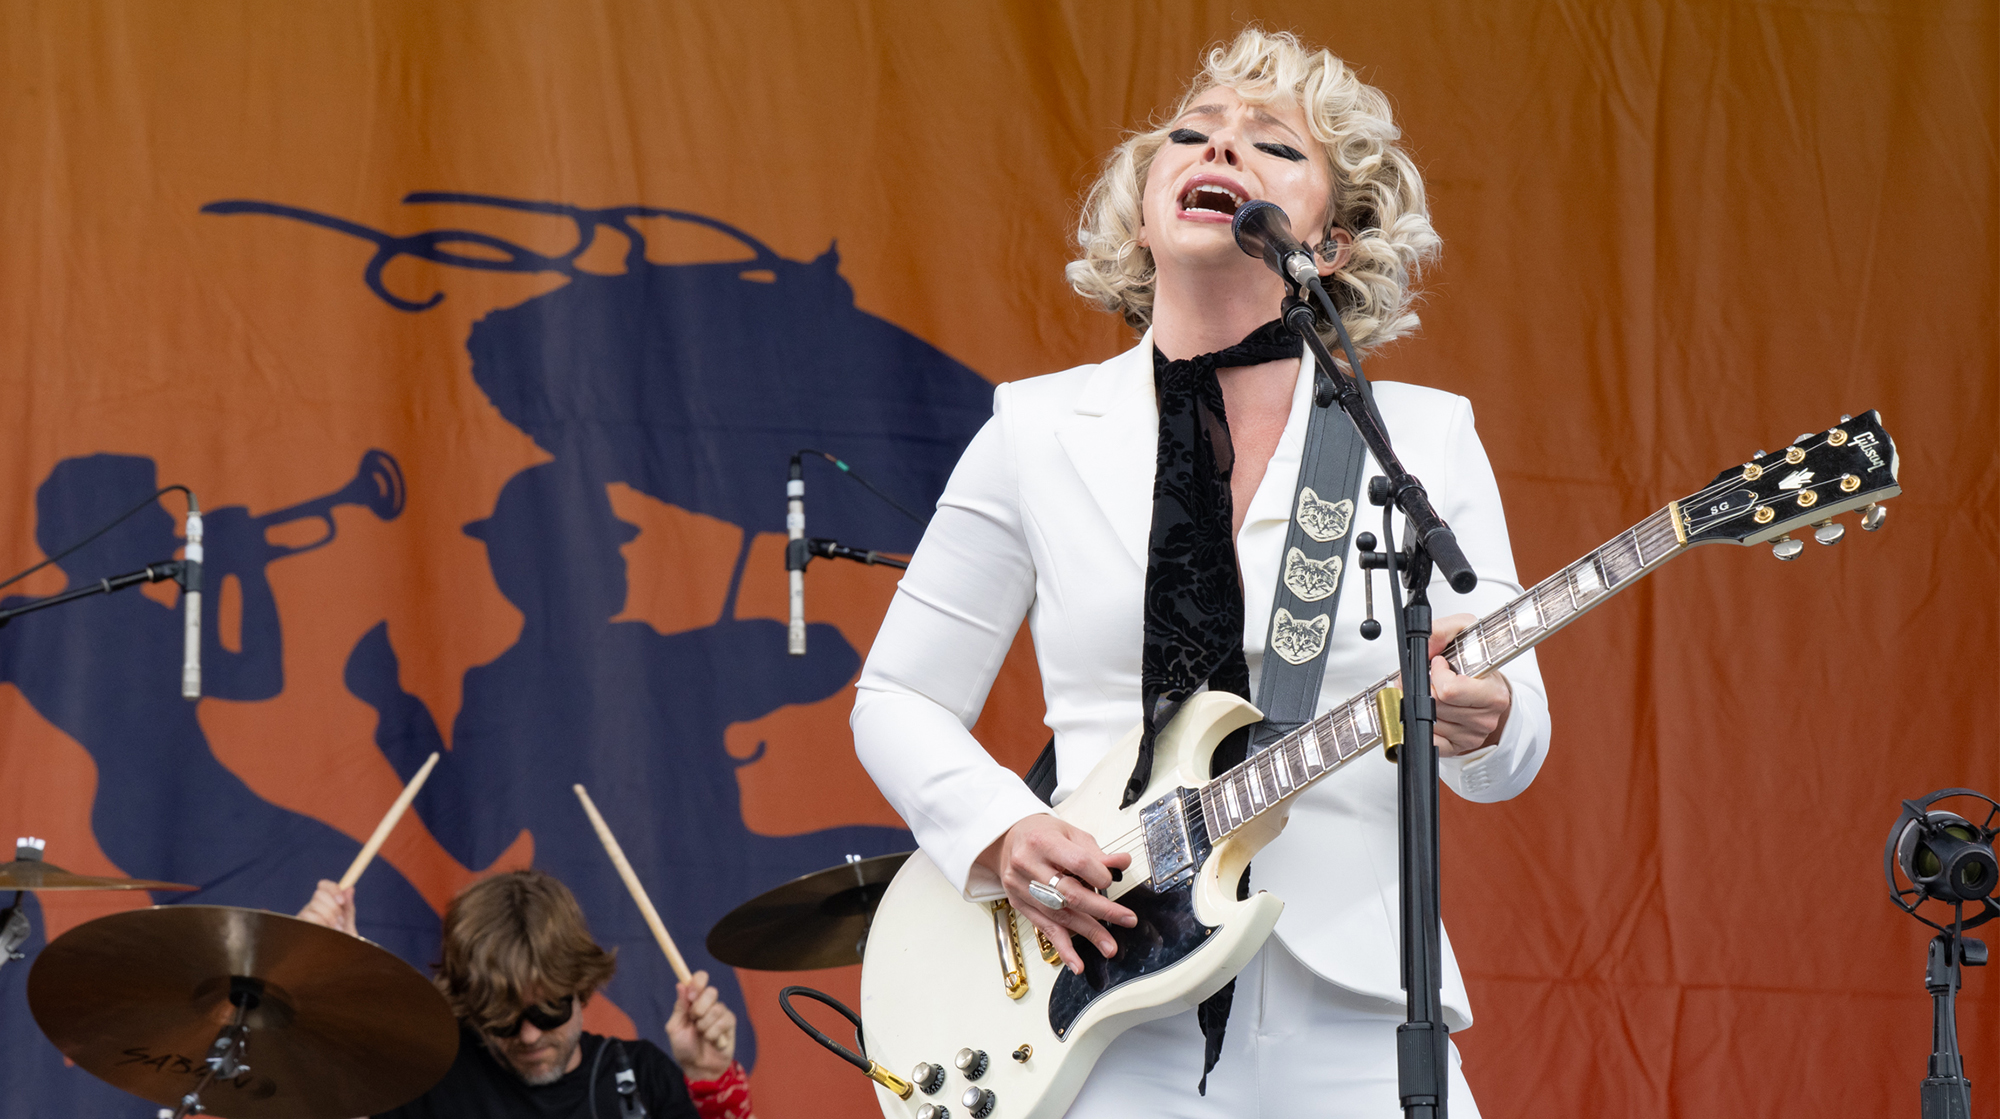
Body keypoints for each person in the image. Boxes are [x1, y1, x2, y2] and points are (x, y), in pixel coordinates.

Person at [852, 26, 1551, 1118]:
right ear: (1144, 205)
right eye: (1192, 134)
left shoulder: (1418, 440)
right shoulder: (1033, 430)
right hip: (1096, 998)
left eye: (1272, 147)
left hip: (1356, 1009)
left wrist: (1491, 713)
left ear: (1332, 243)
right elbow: (898, 696)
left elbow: (1505, 753)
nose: (1217, 152)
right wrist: (999, 831)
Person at [299, 870, 754, 1119]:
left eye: (548, 1010)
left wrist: (712, 1082)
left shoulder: (641, 1075)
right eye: (502, 1018)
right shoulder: (428, 1079)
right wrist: (332, 980)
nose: (531, 1036)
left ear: (581, 988)